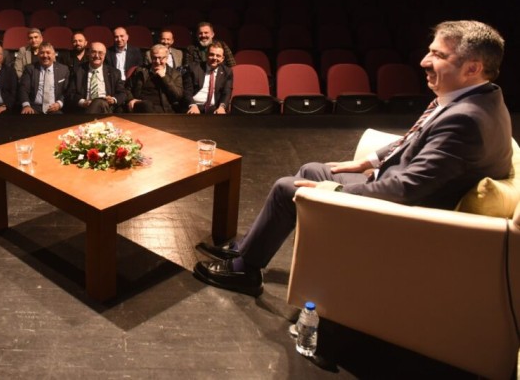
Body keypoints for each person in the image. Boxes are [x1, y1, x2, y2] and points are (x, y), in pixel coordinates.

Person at [193, 20, 513, 296]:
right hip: (398, 187)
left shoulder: (466, 119)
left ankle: (244, 271)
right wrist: (367, 162)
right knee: (312, 169)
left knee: (286, 189)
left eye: (439, 55)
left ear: (473, 68)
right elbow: (417, 138)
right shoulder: (481, 98)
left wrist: (336, 191)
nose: (424, 62)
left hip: (405, 217)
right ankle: (247, 248)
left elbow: (406, 189)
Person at [66, 42, 126, 114]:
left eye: (100, 53)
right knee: (97, 103)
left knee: (99, 102)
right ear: (88, 53)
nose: (97, 56)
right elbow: (70, 93)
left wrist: (113, 99)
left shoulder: (114, 73)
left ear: (105, 55)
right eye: (93, 52)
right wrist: (83, 102)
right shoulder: (78, 71)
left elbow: (122, 93)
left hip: (108, 108)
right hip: (85, 109)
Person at [127, 44, 184, 113]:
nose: (157, 61)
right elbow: (127, 88)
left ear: (166, 58)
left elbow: (178, 96)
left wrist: (164, 77)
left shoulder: (175, 74)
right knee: (147, 105)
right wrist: (131, 99)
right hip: (142, 107)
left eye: (160, 58)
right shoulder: (140, 71)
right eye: (154, 58)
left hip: (164, 109)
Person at [182, 41, 233, 115]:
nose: (214, 58)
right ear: (206, 55)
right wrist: (192, 105)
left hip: (215, 108)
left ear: (222, 58)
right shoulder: (193, 68)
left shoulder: (227, 72)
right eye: (211, 54)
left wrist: (222, 107)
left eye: (218, 56)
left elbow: (227, 92)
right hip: (195, 106)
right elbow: (187, 91)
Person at [19, 42, 70, 114]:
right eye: (42, 53)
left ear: (54, 54)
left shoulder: (63, 70)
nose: (45, 56)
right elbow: (23, 89)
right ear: (38, 55)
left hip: (55, 108)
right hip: (34, 107)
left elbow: (66, 91)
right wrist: (26, 105)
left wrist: (59, 103)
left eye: (48, 53)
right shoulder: (30, 69)